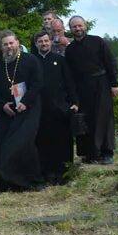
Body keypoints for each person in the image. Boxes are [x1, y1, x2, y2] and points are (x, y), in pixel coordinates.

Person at [0, 30, 44, 190]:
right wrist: (3, 105)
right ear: (1, 47)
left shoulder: (30, 60)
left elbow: (38, 83)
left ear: (18, 43)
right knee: (4, 145)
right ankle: (9, 183)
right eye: (5, 44)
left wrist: (25, 102)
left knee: (22, 143)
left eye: (11, 43)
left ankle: (33, 181)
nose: (9, 47)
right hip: (8, 111)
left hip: (29, 108)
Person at [65, 16, 118, 165]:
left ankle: (107, 152)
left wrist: (114, 84)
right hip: (82, 87)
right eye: (74, 27)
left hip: (101, 83)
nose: (77, 29)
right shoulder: (70, 49)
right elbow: (69, 75)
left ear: (85, 26)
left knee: (104, 118)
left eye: (79, 26)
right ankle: (91, 153)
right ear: (70, 29)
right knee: (86, 120)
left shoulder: (97, 41)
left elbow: (110, 62)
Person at [34, 30, 79, 183]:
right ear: (36, 44)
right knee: (43, 143)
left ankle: (64, 174)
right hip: (40, 110)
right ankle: (46, 175)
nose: (44, 44)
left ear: (50, 42)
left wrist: (75, 102)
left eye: (46, 41)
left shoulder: (60, 60)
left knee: (63, 142)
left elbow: (70, 82)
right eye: (40, 41)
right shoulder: (32, 62)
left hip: (60, 108)